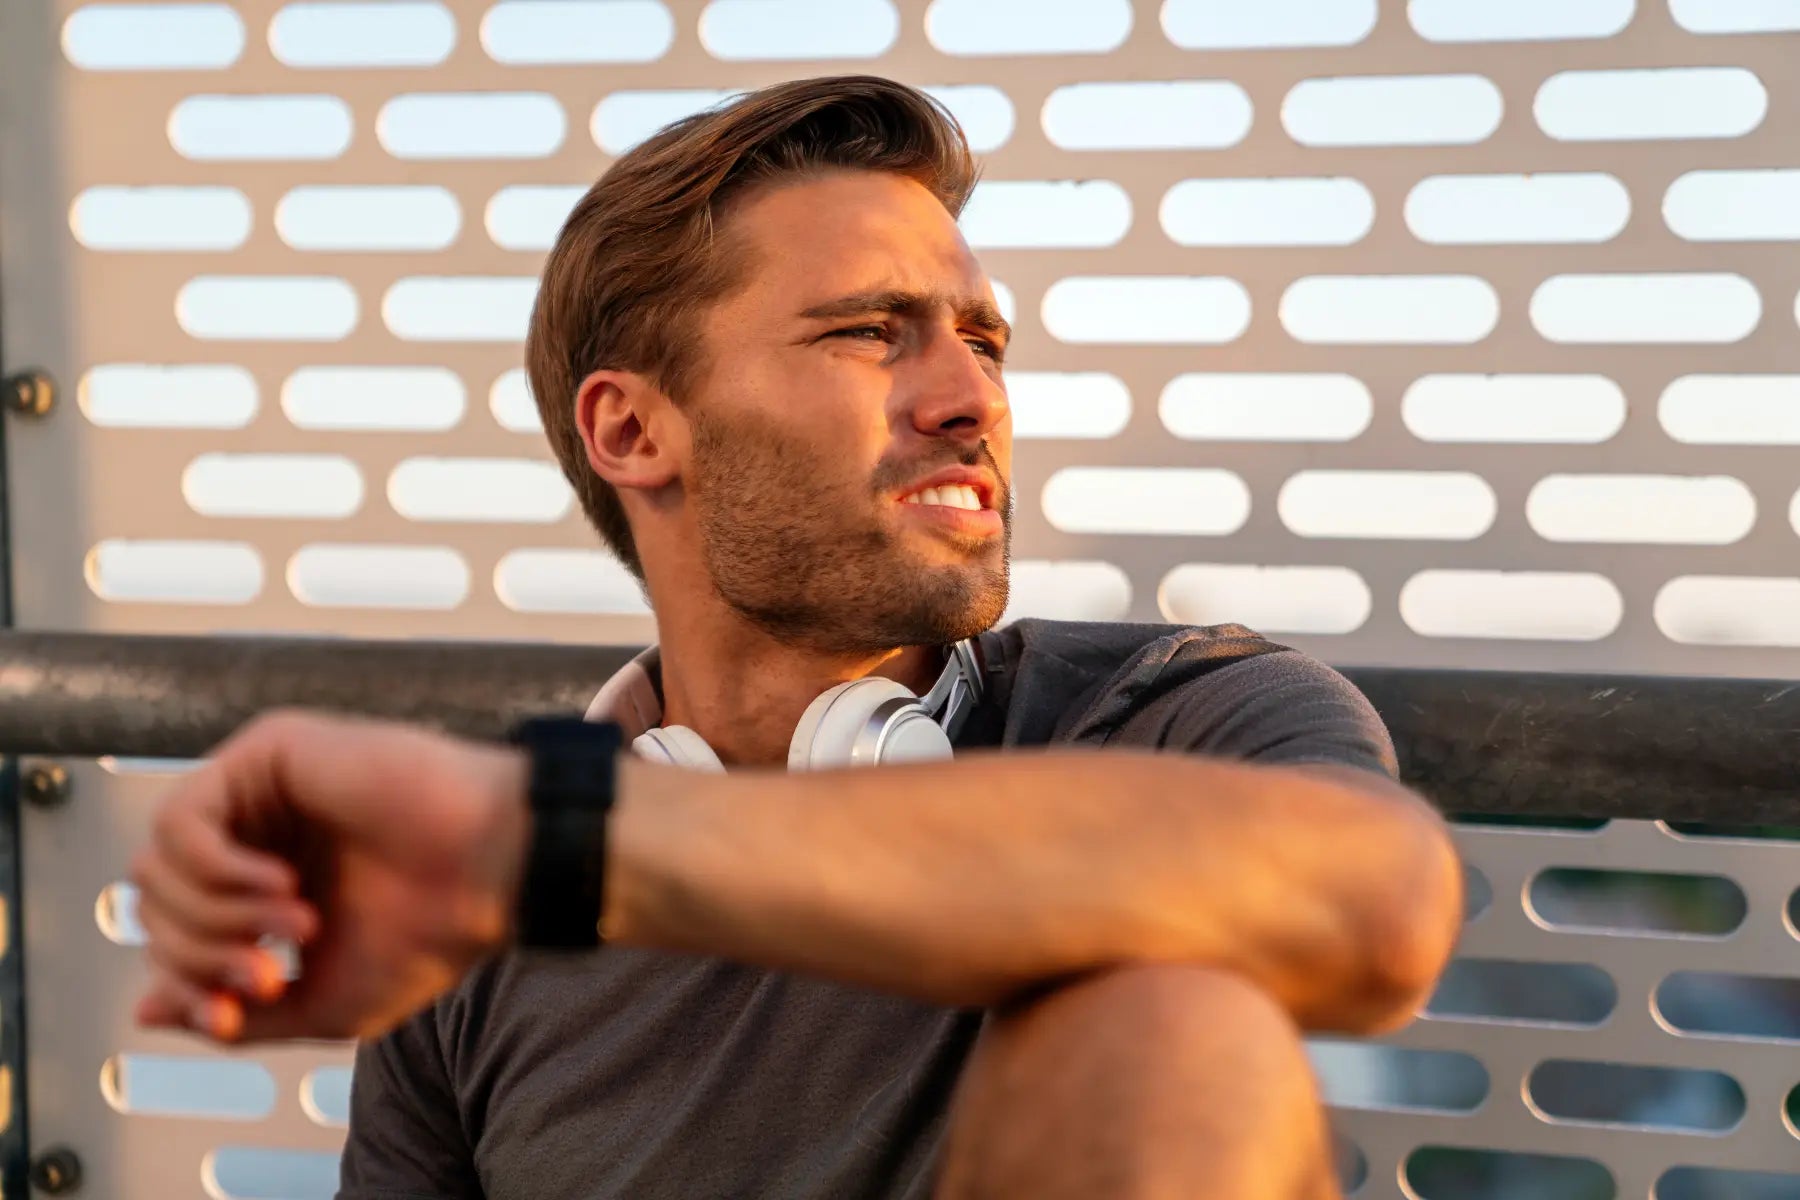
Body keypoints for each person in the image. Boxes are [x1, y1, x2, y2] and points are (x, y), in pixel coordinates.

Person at [129, 75, 1463, 1200]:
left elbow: (1380, 901)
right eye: (872, 334)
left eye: (983, 342)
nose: (969, 400)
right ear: (633, 431)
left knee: (1168, 1027)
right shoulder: (463, 932)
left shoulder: (1174, 709)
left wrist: (564, 842)